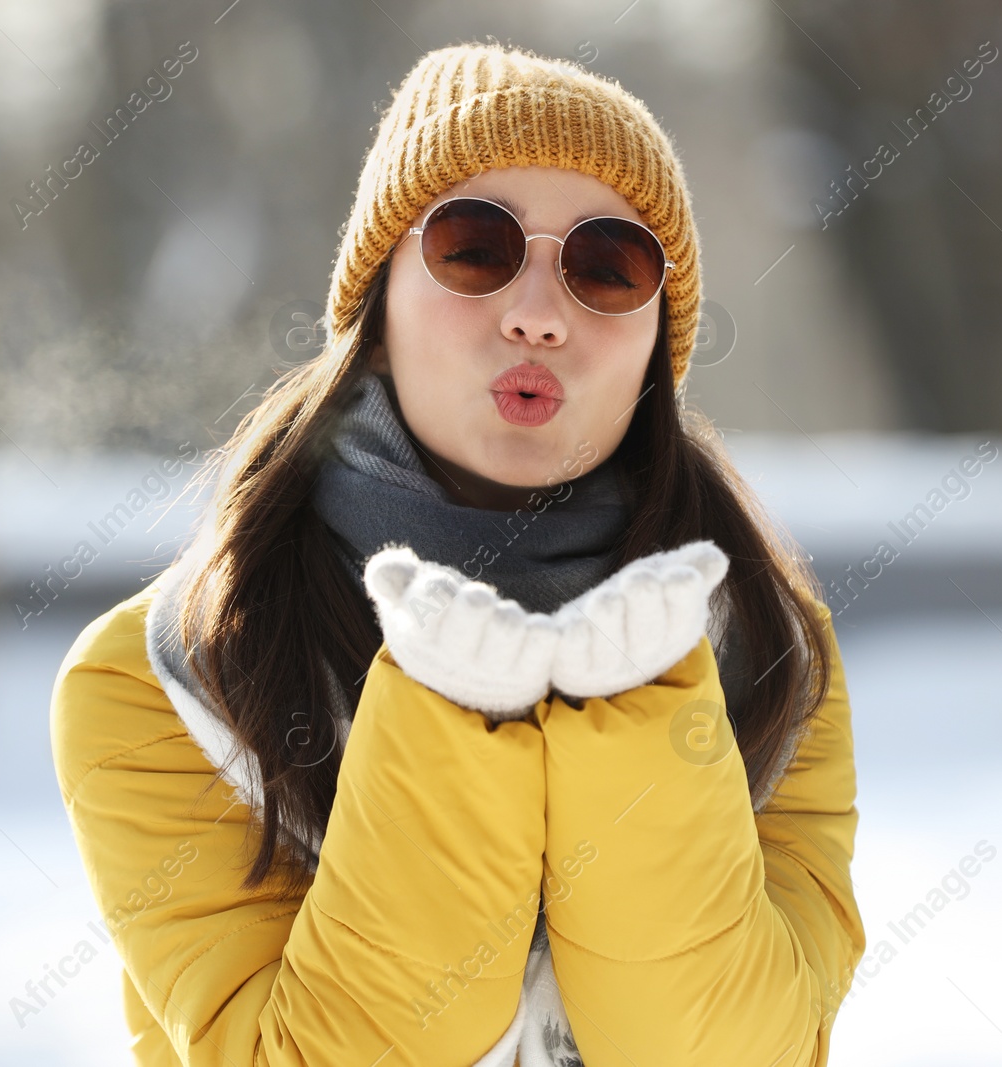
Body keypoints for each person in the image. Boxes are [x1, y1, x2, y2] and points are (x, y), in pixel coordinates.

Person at [50, 41, 864, 1067]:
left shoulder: (769, 654)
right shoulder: (162, 681)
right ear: (376, 307)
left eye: (606, 267)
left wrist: (640, 710)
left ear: (655, 344)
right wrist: (448, 709)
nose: (536, 314)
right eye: (474, 248)